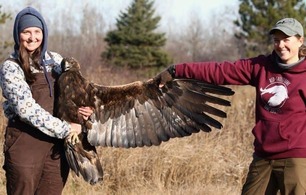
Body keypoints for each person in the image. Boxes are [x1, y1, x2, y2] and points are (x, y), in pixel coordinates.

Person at [162, 18, 306, 194]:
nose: (281, 45)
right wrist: (177, 70)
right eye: (276, 40)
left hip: (297, 157)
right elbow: (221, 71)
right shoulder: (261, 66)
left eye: (286, 39)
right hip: (263, 155)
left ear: (300, 41)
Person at [0, 6, 92, 195]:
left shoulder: (56, 61)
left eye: (37, 31)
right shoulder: (11, 67)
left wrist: (85, 109)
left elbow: (73, 91)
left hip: (55, 148)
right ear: (18, 35)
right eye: (26, 32)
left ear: (44, 33)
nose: (32, 37)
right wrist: (66, 129)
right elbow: (26, 110)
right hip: (25, 142)